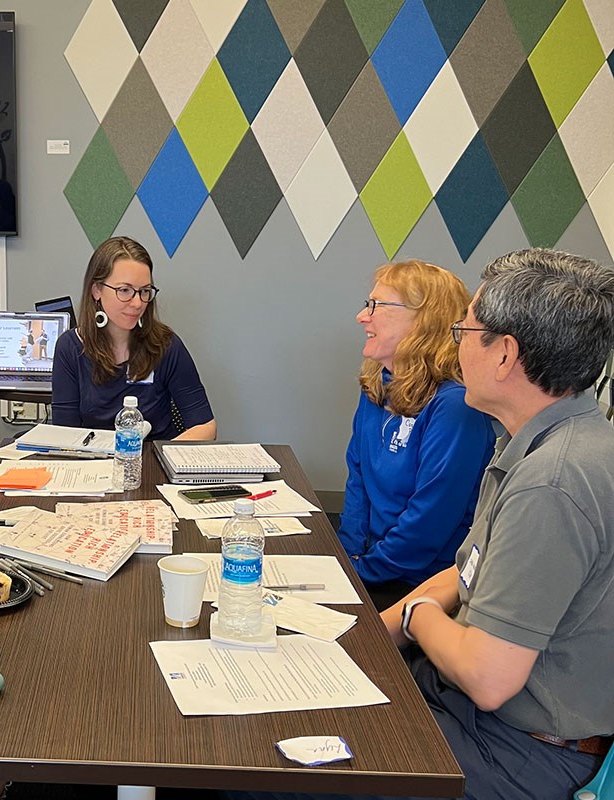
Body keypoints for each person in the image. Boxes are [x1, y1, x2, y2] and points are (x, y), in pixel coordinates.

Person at [230, 248, 614, 800]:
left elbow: (487, 677)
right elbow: (465, 574)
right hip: (465, 703)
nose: (454, 343)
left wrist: (414, 616)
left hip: (514, 747)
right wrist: (367, 637)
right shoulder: (537, 444)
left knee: (254, 773)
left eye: (465, 329)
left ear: (504, 354)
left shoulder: (552, 482)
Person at [338, 260, 496, 609]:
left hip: (421, 586)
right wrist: (345, 559)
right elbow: (358, 479)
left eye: (376, 306)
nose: (362, 317)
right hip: (370, 568)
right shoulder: (378, 385)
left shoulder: (455, 406)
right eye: (368, 304)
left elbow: (429, 522)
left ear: (424, 320)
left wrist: (362, 573)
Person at [51, 236, 216, 441]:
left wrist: (161, 458)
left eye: (144, 291)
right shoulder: (70, 348)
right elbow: (63, 435)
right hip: (94, 465)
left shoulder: (166, 345)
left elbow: (205, 426)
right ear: (97, 291)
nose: (137, 303)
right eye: (125, 290)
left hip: (155, 460)